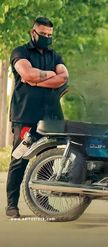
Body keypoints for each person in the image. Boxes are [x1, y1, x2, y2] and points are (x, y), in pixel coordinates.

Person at [6, 17, 69, 218]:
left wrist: (36, 79)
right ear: (32, 32)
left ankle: (43, 203)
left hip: (51, 117)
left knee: (48, 161)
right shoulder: (20, 52)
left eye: (50, 35)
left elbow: (64, 78)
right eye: (43, 34)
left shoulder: (55, 55)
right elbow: (27, 74)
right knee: (19, 159)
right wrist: (49, 76)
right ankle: (12, 205)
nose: (46, 38)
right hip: (26, 116)